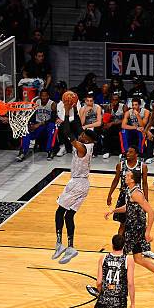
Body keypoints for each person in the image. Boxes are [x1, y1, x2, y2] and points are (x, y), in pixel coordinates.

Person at [105, 170, 154, 296]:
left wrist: (147, 232)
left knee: (118, 255)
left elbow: (151, 212)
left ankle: (108, 288)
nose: (125, 176)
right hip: (133, 228)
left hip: (135, 229)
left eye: (127, 176)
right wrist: (113, 210)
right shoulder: (130, 190)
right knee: (138, 259)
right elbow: (129, 207)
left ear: (132, 179)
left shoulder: (137, 193)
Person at [52, 92, 98, 264]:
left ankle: (59, 243)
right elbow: (78, 126)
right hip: (84, 184)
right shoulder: (88, 143)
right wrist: (75, 109)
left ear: (87, 139)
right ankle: (70, 247)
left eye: (84, 135)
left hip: (77, 183)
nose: (81, 134)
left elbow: (66, 131)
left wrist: (65, 110)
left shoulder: (82, 147)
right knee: (69, 216)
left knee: (59, 211)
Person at [105, 146, 154, 257]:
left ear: (136, 154)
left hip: (136, 196)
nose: (127, 153)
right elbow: (115, 180)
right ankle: (119, 246)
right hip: (124, 196)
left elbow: (145, 183)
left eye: (130, 152)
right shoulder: (121, 165)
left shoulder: (142, 166)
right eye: (127, 152)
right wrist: (109, 194)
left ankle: (144, 248)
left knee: (140, 223)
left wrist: (146, 199)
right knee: (123, 224)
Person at [17, 89, 57, 162]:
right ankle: (23, 152)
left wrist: (40, 124)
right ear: (40, 96)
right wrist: (30, 124)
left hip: (46, 125)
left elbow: (53, 119)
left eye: (45, 96)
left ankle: (50, 151)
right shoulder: (36, 102)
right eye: (42, 96)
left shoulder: (52, 104)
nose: (44, 97)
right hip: (38, 126)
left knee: (52, 127)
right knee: (26, 130)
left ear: (48, 96)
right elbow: (31, 115)